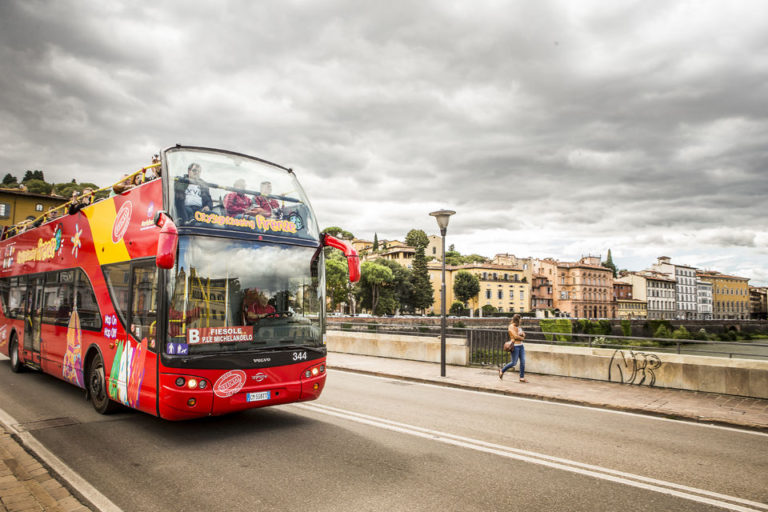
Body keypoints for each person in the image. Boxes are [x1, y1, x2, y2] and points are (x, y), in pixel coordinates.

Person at [499, 314, 527, 382]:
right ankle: (502, 370)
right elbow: (515, 336)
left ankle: (521, 377)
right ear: (517, 320)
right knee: (514, 363)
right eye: (520, 319)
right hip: (515, 346)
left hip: (521, 346)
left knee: (523, 362)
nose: (521, 320)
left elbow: (524, 334)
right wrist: (522, 337)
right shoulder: (511, 327)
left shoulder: (519, 327)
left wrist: (522, 335)